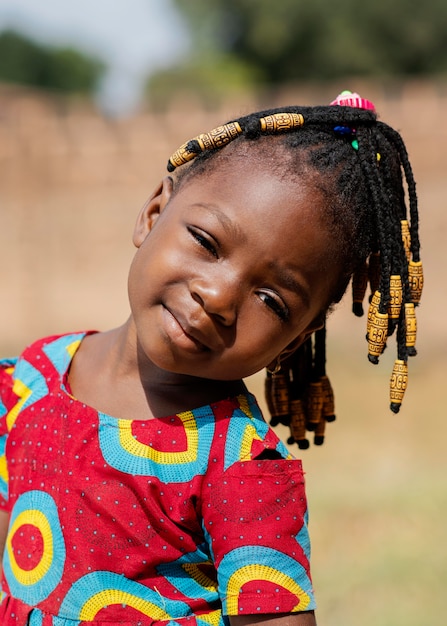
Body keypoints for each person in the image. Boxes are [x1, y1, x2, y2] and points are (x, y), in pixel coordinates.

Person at [0, 91, 422, 626]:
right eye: (207, 241)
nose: (219, 298)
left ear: (294, 338)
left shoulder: (239, 462)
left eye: (272, 301)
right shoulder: (32, 376)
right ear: (153, 212)